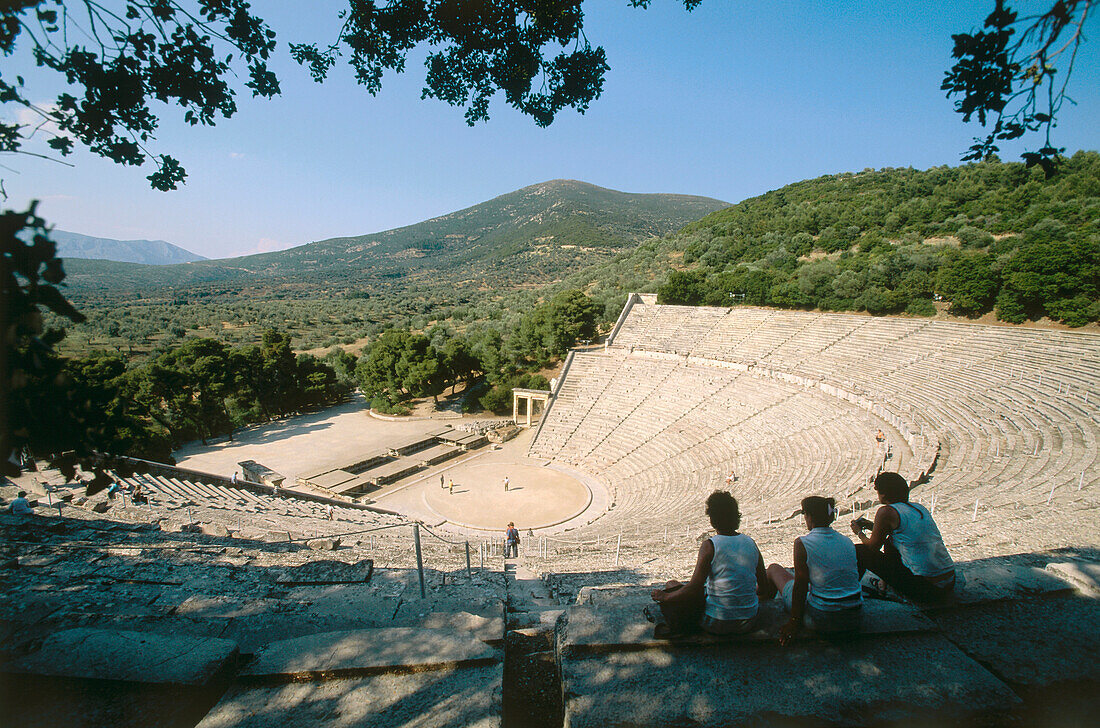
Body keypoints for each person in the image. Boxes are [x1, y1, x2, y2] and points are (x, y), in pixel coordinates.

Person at [649, 491, 772, 638]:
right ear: (735, 515)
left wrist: (665, 597)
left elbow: (694, 587)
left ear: (712, 519)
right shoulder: (751, 543)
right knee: (674, 586)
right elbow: (764, 587)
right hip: (749, 621)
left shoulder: (710, 545)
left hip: (716, 622)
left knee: (671, 585)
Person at [767, 496, 862, 646]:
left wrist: (794, 622)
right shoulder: (847, 541)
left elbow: (801, 585)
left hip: (823, 619)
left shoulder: (802, 543)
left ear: (809, 516)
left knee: (773, 569)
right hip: (855, 617)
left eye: (805, 514)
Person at [852, 472, 956, 602]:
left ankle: (850, 592)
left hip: (926, 589)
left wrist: (859, 533)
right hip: (949, 583)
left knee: (859, 551)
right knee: (890, 542)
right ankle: (884, 585)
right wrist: (872, 526)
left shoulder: (886, 511)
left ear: (883, 494)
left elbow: (873, 547)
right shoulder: (919, 508)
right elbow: (903, 533)